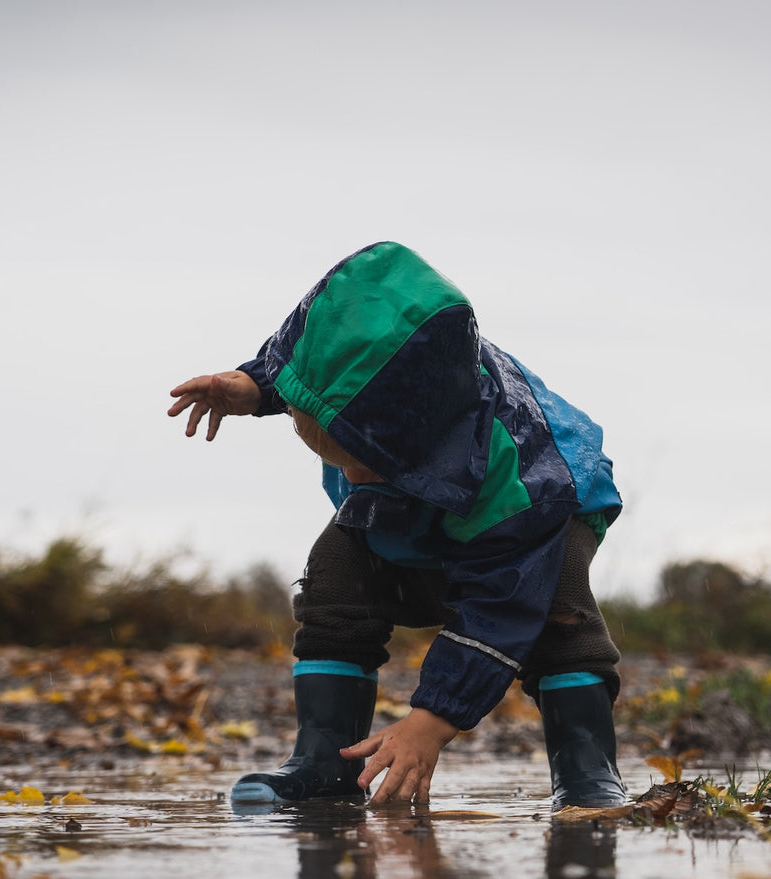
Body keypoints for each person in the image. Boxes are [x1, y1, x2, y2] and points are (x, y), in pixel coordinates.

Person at [167, 241, 626, 809]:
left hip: (549, 507)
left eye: (365, 459)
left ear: (414, 434)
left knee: (557, 610)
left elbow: (498, 607)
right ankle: (324, 761)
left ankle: (586, 772)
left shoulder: (519, 491)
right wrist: (257, 385)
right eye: (331, 450)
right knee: (336, 570)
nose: (352, 478)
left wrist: (429, 723)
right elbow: (323, 361)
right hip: (419, 492)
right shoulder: (361, 390)